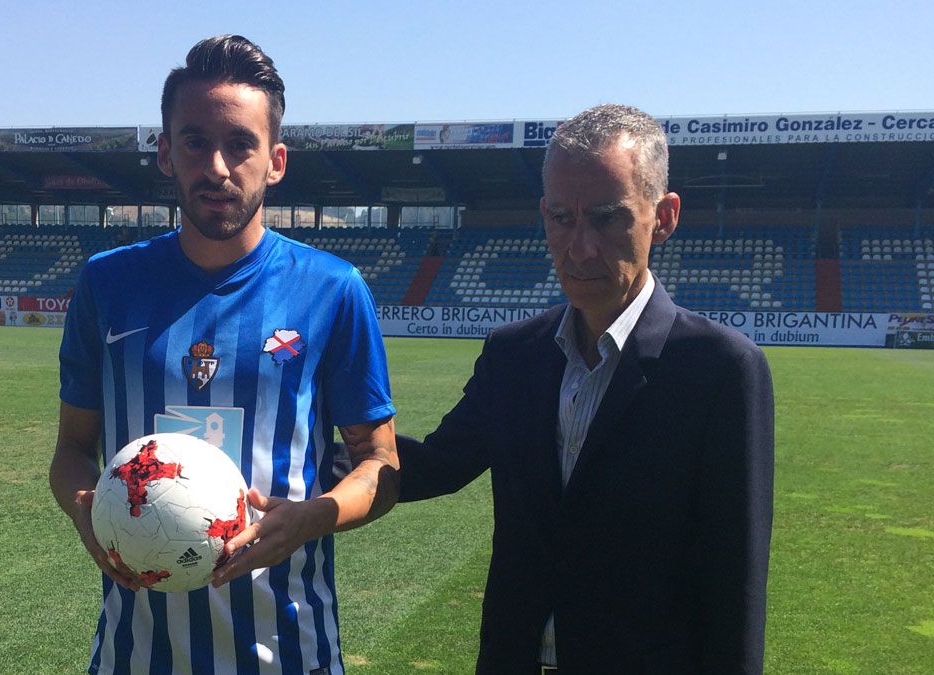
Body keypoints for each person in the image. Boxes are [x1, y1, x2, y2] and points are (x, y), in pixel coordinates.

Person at [50, 35, 399, 675]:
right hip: (135, 656)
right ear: (164, 152)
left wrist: (312, 518)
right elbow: (74, 447)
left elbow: (381, 465)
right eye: (194, 141)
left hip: (290, 655)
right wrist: (87, 512)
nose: (217, 164)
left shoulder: (333, 289)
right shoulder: (107, 283)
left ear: (276, 160)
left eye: (240, 143)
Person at [396, 104, 774, 673]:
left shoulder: (721, 368)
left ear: (663, 217)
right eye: (560, 217)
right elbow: (435, 466)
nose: (580, 247)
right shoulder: (513, 353)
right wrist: (303, 450)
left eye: (607, 217)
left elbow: (734, 579)